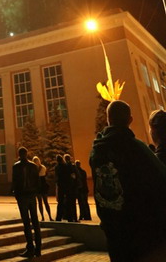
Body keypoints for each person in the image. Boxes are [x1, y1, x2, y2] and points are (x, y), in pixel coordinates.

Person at [90, 100, 166, 262]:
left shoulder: (96, 151)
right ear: (130, 120)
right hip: (138, 233)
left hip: (112, 229)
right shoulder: (137, 148)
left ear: (107, 118)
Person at [12, 147, 41, 258]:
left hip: (23, 197)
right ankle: (38, 249)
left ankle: (30, 248)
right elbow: (38, 183)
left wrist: (16, 195)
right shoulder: (33, 166)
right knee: (35, 222)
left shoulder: (16, 166)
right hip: (31, 196)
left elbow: (15, 183)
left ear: (19, 154)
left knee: (26, 223)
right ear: (27, 154)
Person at [32, 156, 53, 222]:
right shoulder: (34, 168)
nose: (36, 162)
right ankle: (43, 217)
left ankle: (49, 216)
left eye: (37, 161)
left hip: (42, 186)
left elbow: (41, 175)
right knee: (40, 202)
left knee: (45, 202)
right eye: (35, 161)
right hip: (38, 186)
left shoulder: (42, 167)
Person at [63, 154, 78, 222]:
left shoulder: (64, 166)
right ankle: (75, 217)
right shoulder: (73, 166)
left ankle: (69, 217)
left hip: (67, 187)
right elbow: (75, 176)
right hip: (73, 187)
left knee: (68, 203)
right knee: (73, 203)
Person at [54, 154, 67, 221]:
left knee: (60, 202)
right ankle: (66, 215)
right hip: (66, 185)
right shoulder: (65, 166)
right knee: (66, 201)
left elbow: (56, 177)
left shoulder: (57, 167)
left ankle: (59, 216)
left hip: (60, 185)